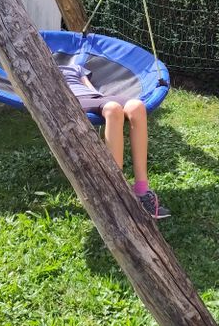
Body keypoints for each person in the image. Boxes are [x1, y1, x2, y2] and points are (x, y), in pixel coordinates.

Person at [58, 61, 170, 219]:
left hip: (95, 97)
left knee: (137, 106)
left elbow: (87, 85)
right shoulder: (40, 66)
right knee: (113, 109)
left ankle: (142, 189)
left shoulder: (76, 67)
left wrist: (101, 98)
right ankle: (117, 191)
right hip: (71, 99)